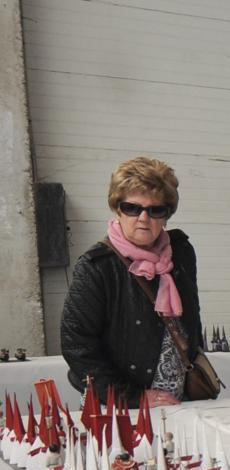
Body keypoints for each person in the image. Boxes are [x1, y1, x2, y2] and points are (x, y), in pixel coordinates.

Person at [61, 157, 204, 405]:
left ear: (167, 214)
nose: (143, 218)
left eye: (155, 209)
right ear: (118, 208)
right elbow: (77, 345)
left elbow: (192, 315)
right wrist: (132, 397)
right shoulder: (97, 266)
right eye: (132, 208)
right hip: (124, 407)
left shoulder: (181, 252)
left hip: (182, 401)